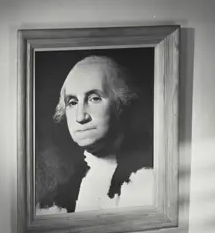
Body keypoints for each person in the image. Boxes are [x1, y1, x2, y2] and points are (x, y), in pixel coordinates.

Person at [36, 55, 154, 213]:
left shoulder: (149, 180)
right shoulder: (56, 199)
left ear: (121, 103)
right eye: (72, 102)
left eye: (94, 98)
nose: (80, 117)